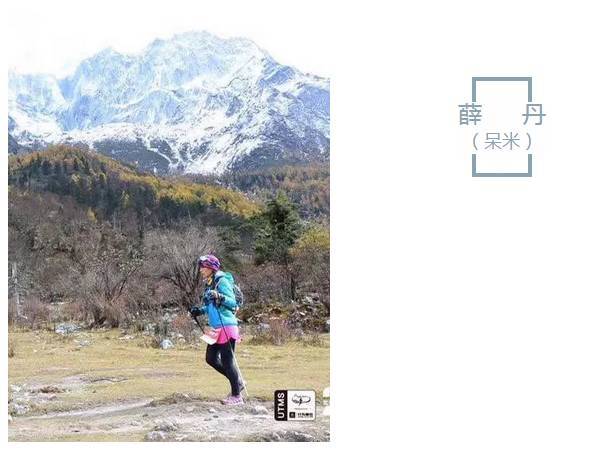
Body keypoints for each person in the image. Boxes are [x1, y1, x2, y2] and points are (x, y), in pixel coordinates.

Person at [190, 254, 244, 405]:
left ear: (211, 268)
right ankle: (238, 382)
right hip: (216, 328)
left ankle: (236, 396)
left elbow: (233, 303)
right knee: (211, 359)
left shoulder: (222, 281)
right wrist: (199, 311)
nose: (201, 270)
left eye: (203, 267)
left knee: (227, 361)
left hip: (227, 325)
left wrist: (219, 296)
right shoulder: (210, 283)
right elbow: (210, 306)